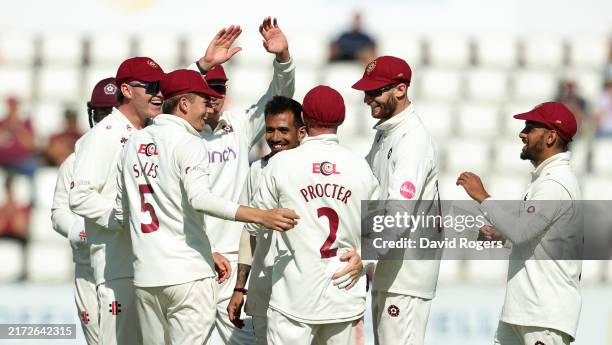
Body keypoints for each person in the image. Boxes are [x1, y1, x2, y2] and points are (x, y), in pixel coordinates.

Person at [69, 26, 244, 345]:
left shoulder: (148, 132)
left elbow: (179, 98)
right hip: (117, 269)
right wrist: (124, 217)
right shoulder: (103, 136)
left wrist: (202, 66)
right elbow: (79, 197)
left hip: (149, 268)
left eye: (159, 86)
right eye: (148, 86)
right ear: (125, 90)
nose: (158, 92)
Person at [114, 69, 299, 345]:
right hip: (189, 273)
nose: (209, 106)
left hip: (147, 275)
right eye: (204, 99)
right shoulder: (189, 141)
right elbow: (199, 199)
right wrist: (260, 215)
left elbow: (121, 212)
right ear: (185, 104)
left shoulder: (133, 142)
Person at [189, 17, 296, 344]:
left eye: (220, 89)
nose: (214, 96)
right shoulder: (174, 135)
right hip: (191, 259)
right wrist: (202, 66)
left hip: (233, 263)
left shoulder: (237, 126)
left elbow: (280, 97)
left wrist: (283, 59)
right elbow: (165, 97)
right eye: (207, 90)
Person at [247, 86, 379, 345]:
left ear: (304, 120)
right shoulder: (360, 167)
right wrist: (365, 258)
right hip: (345, 295)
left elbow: (254, 225)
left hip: (293, 296)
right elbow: (383, 230)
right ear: (341, 119)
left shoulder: (281, 163)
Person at [457, 101, 583, 345]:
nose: (522, 133)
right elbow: (535, 234)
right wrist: (500, 234)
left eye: (530, 127)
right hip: (523, 311)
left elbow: (521, 231)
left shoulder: (555, 183)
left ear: (550, 137)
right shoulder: (544, 180)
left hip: (544, 316)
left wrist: (482, 196)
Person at [351, 55, 442, 345]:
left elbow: (399, 215)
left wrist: (363, 257)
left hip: (406, 276)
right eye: (366, 92)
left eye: (375, 91)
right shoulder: (387, 134)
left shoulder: (411, 139)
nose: (368, 99)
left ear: (400, 90)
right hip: (390, 271)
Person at [226, 95, 306, 344]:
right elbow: (249, 234)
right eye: (270, 130)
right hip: (263, 285)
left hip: (302, 288)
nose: (275, 138)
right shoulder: (257, 169)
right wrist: (240, 288)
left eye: (284, 130)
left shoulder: (310, 170)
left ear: (301, 132)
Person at [51, 77, 118, 345]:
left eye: (109, 114)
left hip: (121, 266)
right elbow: (59, 214)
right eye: (99, 114)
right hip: (87, 268)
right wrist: (87, 232)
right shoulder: (74, 161)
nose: (103, 121)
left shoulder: (133, 153)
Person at [0, 96, 36, 178]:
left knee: (33, 168)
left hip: (20, 161)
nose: (12, 108)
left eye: (14, 105)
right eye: (10, 105)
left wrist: (17, 128)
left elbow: (30, 145)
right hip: (2, 159)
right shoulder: (2, 123)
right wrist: (7, 127)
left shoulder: (26, 123)